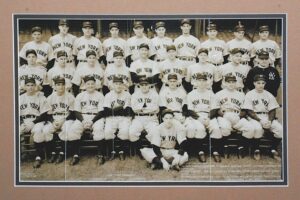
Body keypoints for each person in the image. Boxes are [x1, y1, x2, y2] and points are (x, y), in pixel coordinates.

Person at [242, 74, 282, 161]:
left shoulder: (269, 94)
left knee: (280, 130)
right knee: (258, 128)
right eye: (258, 83)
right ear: (254, 83)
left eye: (263, 83)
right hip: (254, 117)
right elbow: (249, 111)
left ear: (265, 84)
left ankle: (272, 149)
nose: (260, 85)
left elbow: (272, 110)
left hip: (267, 116)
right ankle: (256, 150)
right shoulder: (249, 94)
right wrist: (260, 121)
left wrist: (270, 121)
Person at [184, 73, 222, 162]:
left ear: (207, 82)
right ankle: (200, 151)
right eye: (199, 81)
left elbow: (214, 108)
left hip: (209, 115)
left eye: (203, 81)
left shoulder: (211, 94)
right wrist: (200, 119)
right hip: (196, 116)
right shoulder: (190, 94)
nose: (201, 83)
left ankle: (215, 151)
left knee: (216, 129)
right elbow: (190, 110)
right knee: (200, 129)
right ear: (195, 82)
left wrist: (208, 118)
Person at [39, 76, 76, 166]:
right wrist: (52, 121)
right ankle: (53, 152)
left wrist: (63, 121)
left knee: (66, 129)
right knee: (46, 131)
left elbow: (72, 113)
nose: (61, 87)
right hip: (54, 118)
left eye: (62, 84)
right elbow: (47, 114)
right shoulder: (50, 98)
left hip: (66, 118)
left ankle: (62, 153)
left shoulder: (70, 97)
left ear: (65, 85)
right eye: (58, 85)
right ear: (54, 86)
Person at [215, 74, 254, 158]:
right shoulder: (218, 94)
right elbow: (216, 109)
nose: (231, 84)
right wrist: (223, 114)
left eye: (233, 82)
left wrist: (239, 116)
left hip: (237, 116)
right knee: (225, 128)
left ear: (236, 83)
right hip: (224, 115)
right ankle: (225, 147)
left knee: (250, 129)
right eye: (229, 82)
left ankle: (241, 146)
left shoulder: (241, 95)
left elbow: (244, 110)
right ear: (225, 83)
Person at [73, 75, 106, 165]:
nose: (90, 85)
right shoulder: (80, 95)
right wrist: (83, 121)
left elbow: (101, 112)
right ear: (84, 85)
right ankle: (76, 154)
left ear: (95, 85)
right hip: (83, 117)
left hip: (96, 117)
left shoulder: (100, 95)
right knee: (74, 129)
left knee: (99, 129)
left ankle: (100, 155)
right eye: (88, 84)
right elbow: (76, 111)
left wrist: (92, 121)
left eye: (92, 84)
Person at [19, 78, 50, 166]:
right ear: (24, 87)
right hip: (23, 120)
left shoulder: (41, 97)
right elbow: (15, 113)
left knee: (38, 131)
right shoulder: (20, 98)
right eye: (28, 85)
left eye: (32, 85)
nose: (30, 87)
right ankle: (17, 156)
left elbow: (44, 114)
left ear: (35, 86)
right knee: (14, 132)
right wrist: (21, 123)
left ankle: (38, 157)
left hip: (37, 120)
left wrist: (33, 122)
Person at [129, 77, 160, 156]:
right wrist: (147, 108)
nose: (144, 86)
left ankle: (151, 150)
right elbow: (134, 109)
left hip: (151, 118)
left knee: (155, 132)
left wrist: (141, 108)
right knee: (132, 132)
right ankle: (140, 150)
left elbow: (156, 108)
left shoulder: (155, 94)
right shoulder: (135, 95)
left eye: (146, 84)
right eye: (142, 85)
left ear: (149, 85)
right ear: (139, 86)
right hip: (138, 118)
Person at [103, 76, 132, 160]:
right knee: (108, 132)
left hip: (124, 118)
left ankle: (121, 151)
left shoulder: (127, 94)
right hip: (111, 118)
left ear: (123, 85)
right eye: (116, 84)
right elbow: (106, 111)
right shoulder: (108, 95)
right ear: (113, 85)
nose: (118, 86)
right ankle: (112, 151)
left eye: (120, 84)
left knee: (125, 131)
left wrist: (113, 110)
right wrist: (120, 108)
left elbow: (127, 111)